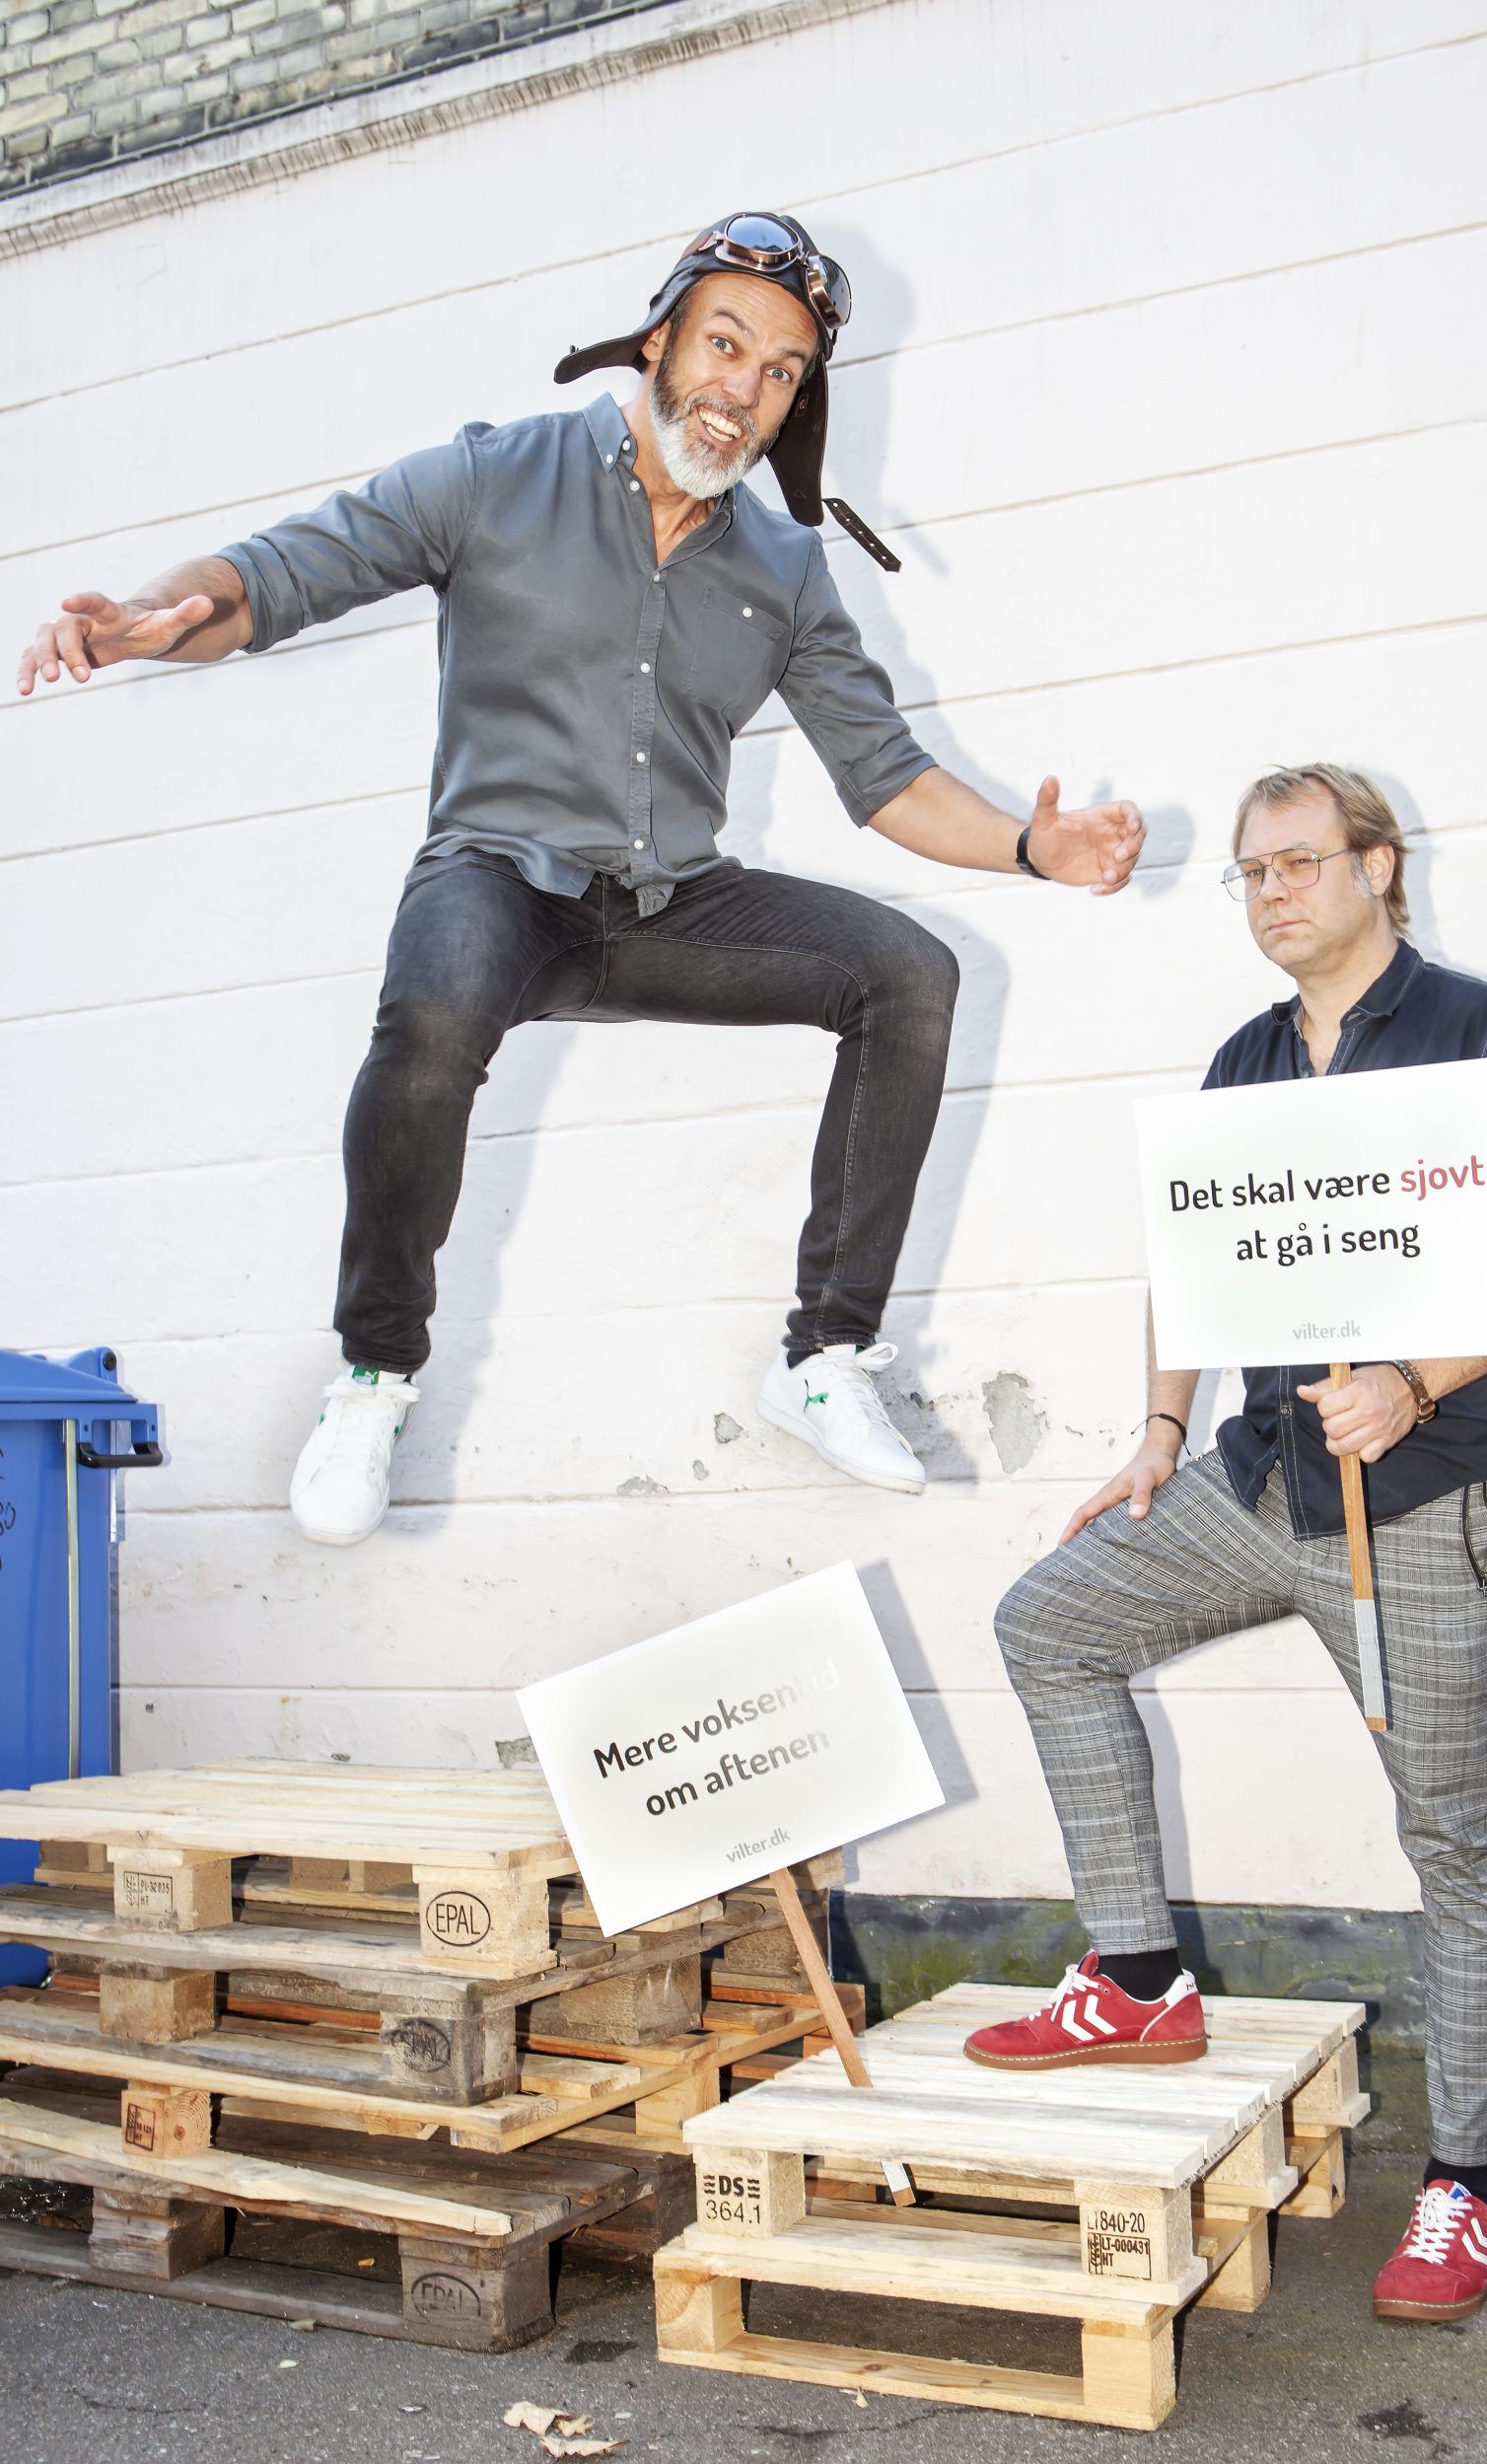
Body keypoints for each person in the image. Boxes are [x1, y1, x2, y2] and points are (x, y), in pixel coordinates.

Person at [18, 211, 1144, 1543]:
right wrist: (152, 621)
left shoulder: (785, 569)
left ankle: (825, 1358)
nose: (744, 386)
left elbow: (885, 775)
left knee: (911, 973)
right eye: (725, 344)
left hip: (672, 906)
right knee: (435, 1009)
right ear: (660, 340)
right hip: (497, 880)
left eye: (781, 372)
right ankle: (375, 1377)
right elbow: (276, 578)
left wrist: (1029, 845)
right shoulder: (498, 475)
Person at [968, 763, 1487, 2324]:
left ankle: (1460, 2182)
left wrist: (1416, 1379)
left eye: (1302, 863)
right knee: (1051, 1624)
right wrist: (1157, 1431)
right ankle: (1139, 1982)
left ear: (1379, 868)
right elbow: (1189, 1262)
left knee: (1453, 1834)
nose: (1273, 893)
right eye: (1252, 873)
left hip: (1438, 1496)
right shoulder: (1247, 1061)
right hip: (1269, 1480)